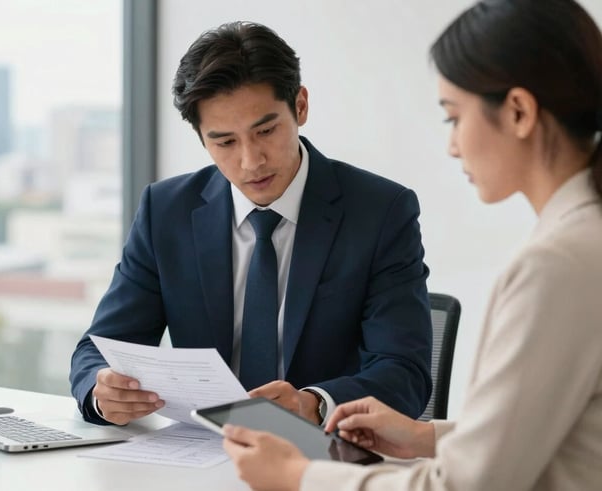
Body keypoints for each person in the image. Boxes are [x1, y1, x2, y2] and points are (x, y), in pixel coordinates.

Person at [222, 0, 602, 489]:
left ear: (518, 111)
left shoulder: (557, 264)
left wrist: (300, 477)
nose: (453, 145)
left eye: (453, 117)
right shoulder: (581, 243)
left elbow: (462, 486)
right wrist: (427, 436)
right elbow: (572, 434)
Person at [69, 21, 433, 427]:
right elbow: (98, 349)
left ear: (300, 106)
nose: (251, 161)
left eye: (266, 130)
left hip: (322, 461)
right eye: (225, 142)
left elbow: (406, 373)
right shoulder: (165, 211)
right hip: (200, 455)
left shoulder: (381, 211)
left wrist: (313, 404)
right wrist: (102, 393)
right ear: (202, 138)